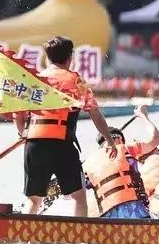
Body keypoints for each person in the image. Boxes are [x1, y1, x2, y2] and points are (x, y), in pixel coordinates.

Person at [14, 36, 116, 217]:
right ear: (70, 58)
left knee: (34, 199)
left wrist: (23, 132)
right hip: (62, 145)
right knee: (79, 196)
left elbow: (17, 112)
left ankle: (24, 232)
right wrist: (110, 140)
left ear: (48, 58)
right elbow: (95, 114)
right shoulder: (76, 81)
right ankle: (79, 232)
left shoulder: (35, 80)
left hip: (34, 144)